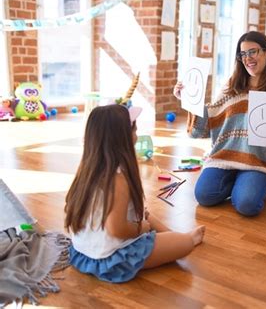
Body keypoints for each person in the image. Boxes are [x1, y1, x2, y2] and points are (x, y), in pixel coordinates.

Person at [64, 104, 205, 283]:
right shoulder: (118, 179)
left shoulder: (87, 168)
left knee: (144, 215)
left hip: (83, 251)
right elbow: (116, 229)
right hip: (111, 258)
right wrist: (142, 228)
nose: (137, 136)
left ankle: (176, 235)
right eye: (134, 130)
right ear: (121, 138)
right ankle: (183, 238)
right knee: (184, 245)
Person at [173, 31, 266, 217]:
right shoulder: (231, 87)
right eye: (243, 54)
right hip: (224, 158)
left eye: (253, 52)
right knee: (203, 196)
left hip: (257, 163)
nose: (247, 58)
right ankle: (241, 183)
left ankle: (253, 184)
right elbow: (211, 118)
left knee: (246, 205)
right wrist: (187, 98)